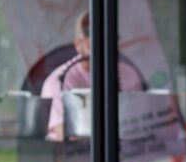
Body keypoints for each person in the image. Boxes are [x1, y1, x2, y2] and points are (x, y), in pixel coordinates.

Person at [40, 11, 145, 141]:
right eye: (94, 41)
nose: (103, 46)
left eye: (109, 39)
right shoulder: (59, 80)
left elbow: (141, 125)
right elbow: (66, 136)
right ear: (78, 45)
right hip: (74, 157)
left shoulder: (128, 74)